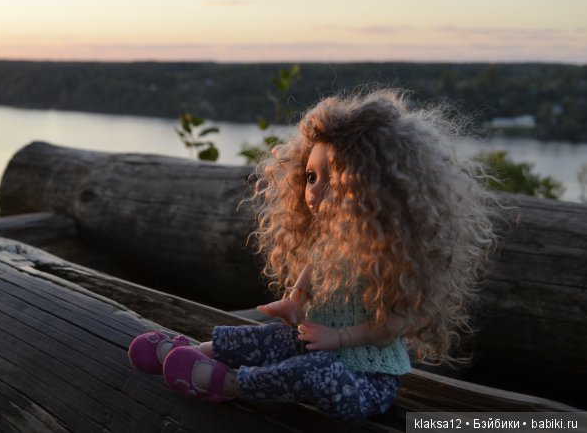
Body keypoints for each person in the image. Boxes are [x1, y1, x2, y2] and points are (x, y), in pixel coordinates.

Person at [128, 89, 498, 420]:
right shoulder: (329, 246)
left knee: (313, 372)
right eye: (310, 176)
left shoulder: (394, 262)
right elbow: (308, 288)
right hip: (316, 347)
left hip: (363, 382)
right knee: (271, 337)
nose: (313, 191)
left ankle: (228, 384)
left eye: (333, 179)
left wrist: (340, 339)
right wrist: (295, 304)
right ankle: (198, 351)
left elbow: (397, 324)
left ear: (380, 189)